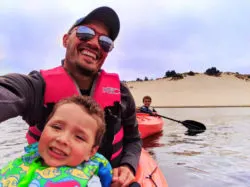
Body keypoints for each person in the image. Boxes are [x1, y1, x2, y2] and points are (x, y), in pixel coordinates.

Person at [0, 6, 142, 187]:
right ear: (66, 39)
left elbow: (133, 139)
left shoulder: (121, 94)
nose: (95, 43)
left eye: (105, 41)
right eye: (85, 32)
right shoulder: (36, 87)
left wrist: (128, 165)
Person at [0, 95, 112, 187]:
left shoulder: (91, 183)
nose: (62, 139)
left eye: (79, 137)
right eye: (57, 127)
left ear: (91, 152)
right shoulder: (25, 160)